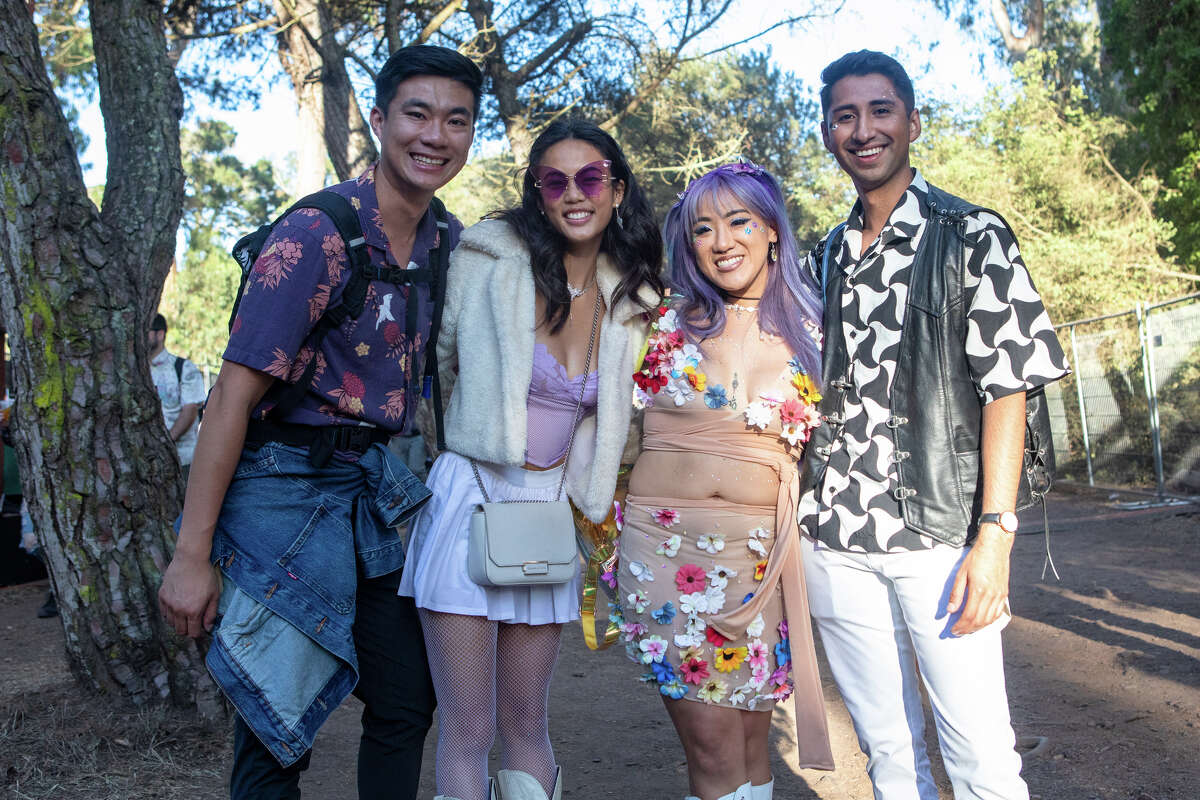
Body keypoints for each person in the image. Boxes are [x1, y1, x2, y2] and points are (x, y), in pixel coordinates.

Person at [156, 45, 483, 800]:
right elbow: (231, 398)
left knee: (406, 698)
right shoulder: (317, 233)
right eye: (417, 113)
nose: (435, 135)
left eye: (456, 120)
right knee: (276, 721)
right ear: (379, 120)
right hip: (279, 490)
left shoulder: (447, 243)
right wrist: (190, 555)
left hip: (363, 491)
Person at [798, 50, 1069, 800]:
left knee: (982, 755)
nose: (863, 129)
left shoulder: (972, 233)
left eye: (879, 110)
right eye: (844, 116)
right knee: (887, 753)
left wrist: (995, 535)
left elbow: (1008, 386)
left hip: (942, 538)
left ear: (912, 122)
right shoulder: (826, 254)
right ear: (828, 133)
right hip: (835, 540)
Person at [398, 119, 664, 800]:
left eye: (591, 177)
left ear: (617, 188)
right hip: (474, 499)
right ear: (538, 194)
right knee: (469, 725)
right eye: (555, 180)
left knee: (527, 720)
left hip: (548, 515)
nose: (574, 192)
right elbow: (448, 368)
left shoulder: (634, 297)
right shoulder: (489, 260)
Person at [615, 162, 834, 800]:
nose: (722, 241)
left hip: (763, 562)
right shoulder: (657, 319)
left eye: (739, 221)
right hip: (665, 555)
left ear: (771, 229)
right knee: (712, 751)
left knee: (747, 745)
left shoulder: (817, 327)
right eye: (702, 228)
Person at [148, 313, 206, 483]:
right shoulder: (135, 371)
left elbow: (190, 412)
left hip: (182, 461)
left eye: (147, 331)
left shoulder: (183, 368)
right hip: (148, 463)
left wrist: (164, 443)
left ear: (160, 334)